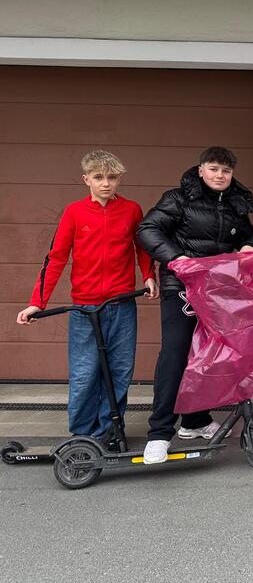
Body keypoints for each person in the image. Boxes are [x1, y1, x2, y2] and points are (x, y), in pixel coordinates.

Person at [16, 151, 157, 442]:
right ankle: (82, 435)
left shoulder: (131, 210)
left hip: (121, 304)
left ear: (119, 180)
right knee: (84, 372)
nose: (106, 183)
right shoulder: (74, 212)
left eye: (112, 177)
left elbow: (142, 248)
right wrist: (36, 303)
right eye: (98, 177)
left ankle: (109, 431)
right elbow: (56, 258)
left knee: (119, 370)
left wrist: (148, 275)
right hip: (85, 308)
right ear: (86, 179)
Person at [137, 147, 253, 464]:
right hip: (181, 288)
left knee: (207, 357)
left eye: (226, 171)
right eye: (214, 169)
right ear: (201, 169)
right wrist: (176, 259)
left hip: (217, 290)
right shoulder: (178, 199)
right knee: (176, 354)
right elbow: (147, 229)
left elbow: (249, 236)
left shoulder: (234, 203)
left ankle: (195, 421)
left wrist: (248, 246)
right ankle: (159, 433)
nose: (220, 176)